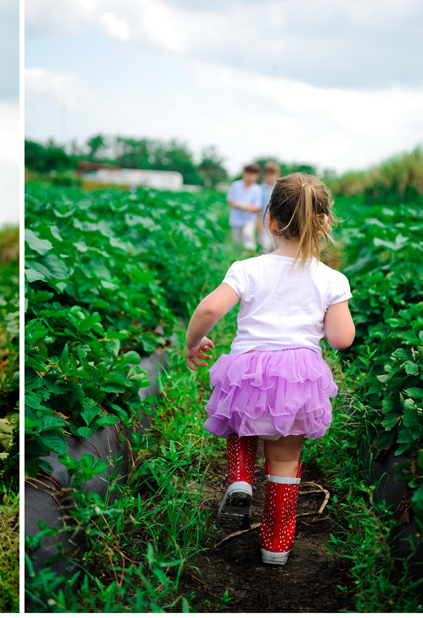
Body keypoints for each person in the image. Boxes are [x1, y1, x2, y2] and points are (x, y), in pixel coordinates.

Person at [185, 173, 354, 565]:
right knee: (284, 461)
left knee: (239, 425)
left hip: (247, 370)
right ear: (324, 223)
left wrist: (193, 341)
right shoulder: (331, 279)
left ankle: (240, 479)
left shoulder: (248, 268)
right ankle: (275, 545)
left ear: (270, 221)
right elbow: (341, 339)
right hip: (297, 377)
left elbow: (210, 308)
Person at [226, 164, 263, 253]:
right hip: (236, 218)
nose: (250, 177)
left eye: (253, 174)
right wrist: (240, 205)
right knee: (236, 241)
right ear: (244, 174)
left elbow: (257, 207)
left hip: (249, 218)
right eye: (248, 174)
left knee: (248, 234)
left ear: (257, 176)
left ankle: (250, 254)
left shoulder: (257, 189)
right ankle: (237, 258)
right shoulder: (236, 185)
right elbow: (230, 200)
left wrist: (247, 207)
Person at [257, 162, 281, 253]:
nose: (270, 177)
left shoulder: (279, 189)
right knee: (264, 247)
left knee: (275, 248)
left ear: (277, 175)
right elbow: (258, 208)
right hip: (264, 223)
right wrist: (259, 223)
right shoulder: (259, 189)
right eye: (268, 175)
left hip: (277, 224)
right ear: (264, 175)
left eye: (273, 175)